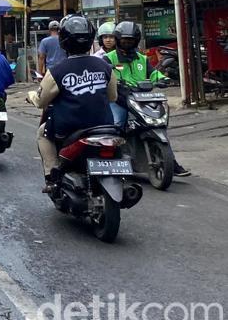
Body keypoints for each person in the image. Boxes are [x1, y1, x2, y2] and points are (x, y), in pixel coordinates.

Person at [29, 15, 119, 189]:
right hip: (104, 125)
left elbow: (41, 101)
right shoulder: (105, 67)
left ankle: (52, 176)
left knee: (42, 133)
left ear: (63, 40)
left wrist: (32, 96)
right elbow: (112, 97)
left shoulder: (57, 71)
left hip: (69, 128)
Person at [106, 22, 190, 176]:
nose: (127, 43)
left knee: (157, 124)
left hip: (141, 98)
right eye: (124, 40)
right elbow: (106, 77)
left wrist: (163, 79)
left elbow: (153, 73)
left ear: (136, 41)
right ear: (118, 40)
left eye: (130, 40)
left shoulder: (142, 59)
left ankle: (172, 162)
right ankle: (112, 162)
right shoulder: (109, 58)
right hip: (119, 100)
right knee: (117, 123)